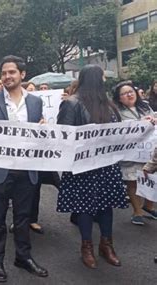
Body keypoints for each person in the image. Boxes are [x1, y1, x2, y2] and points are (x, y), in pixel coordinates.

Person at [0, 56, 48, 282]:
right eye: (4, 73)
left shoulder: (36, 102)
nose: (7, 76)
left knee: (23, 216)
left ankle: (23, 257)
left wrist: (43, 129)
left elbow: (41, 136)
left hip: (27, 170)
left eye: (12, 72)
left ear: (22, 75)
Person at [57, 65, 128, 269]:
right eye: (103, 77)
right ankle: (86, 246)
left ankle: (106, 245)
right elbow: (64, 135)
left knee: (106, 205)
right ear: (97, 79)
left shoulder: (108, 104)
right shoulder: (71, 104)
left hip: (106, 166)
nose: (105, 80)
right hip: (83, 167)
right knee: (85, 207)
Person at [112, 81, 156, 224]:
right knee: (132, 182)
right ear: (119, 98)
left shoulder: (145, 106)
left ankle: (149, 206)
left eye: (131, 91)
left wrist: (153, 120)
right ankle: (137, 211)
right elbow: (116, 129)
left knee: (151, 179)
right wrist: (139, 123)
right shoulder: (116, 111)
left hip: (149, 152)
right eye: (124, 94)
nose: (129, 95)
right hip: (130, 153)